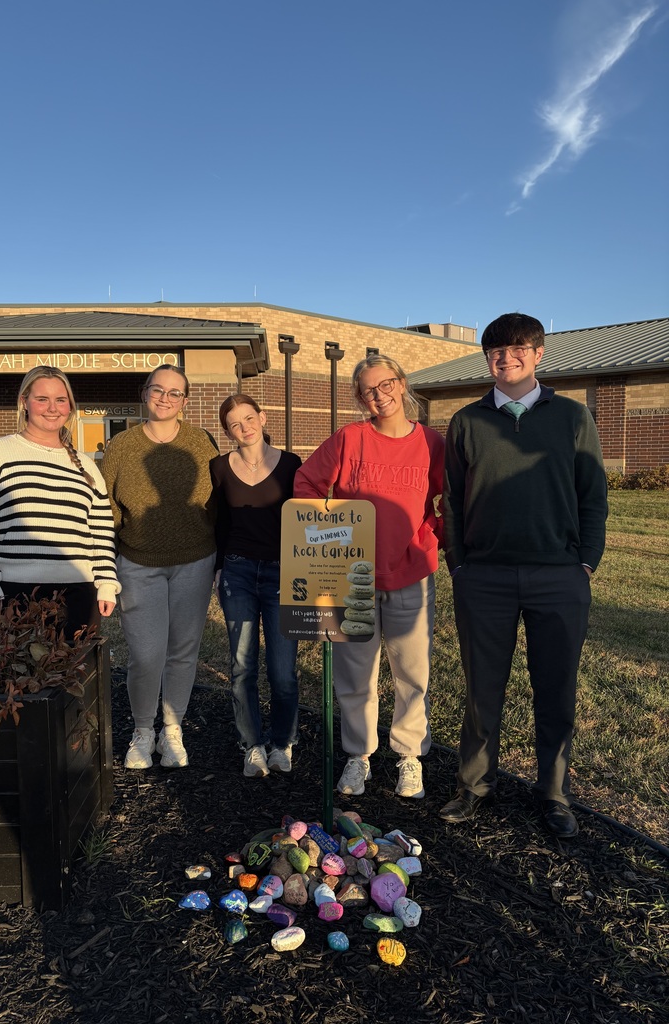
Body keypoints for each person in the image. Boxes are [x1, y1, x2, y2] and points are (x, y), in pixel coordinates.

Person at [439, 312, 608, 838]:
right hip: (483, 577)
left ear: (537, 354)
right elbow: (452, 504)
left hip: (559, 575)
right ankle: (475, 786)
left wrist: (585, 563)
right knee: (481, 689)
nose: (505, 358)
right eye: (495, 351)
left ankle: (553, 794)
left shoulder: (573, 418)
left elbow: (593, 496)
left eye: (517, 349)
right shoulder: (466, 422)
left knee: (555, 689)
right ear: (486, 358)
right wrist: (460, 564)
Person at [293, 353, 444, 798]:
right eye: (368, 391)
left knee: (413, 672)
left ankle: (409, 756)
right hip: (351, 575)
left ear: (402, 383)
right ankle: (358, 756)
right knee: (355, 674)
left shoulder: (432, 443)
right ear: (360, 398)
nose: (379, 396)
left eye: (386, 385)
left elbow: (448, 500)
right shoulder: (349, 439)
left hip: (412, 574)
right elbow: (306, 486)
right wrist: (332, 535)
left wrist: (430, 536)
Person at [102, 365, 218, 771]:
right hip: (138, 562)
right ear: (145, 393)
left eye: (175, 392)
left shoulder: (202, 442)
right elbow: (108, 508)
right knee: (146, 655)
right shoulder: (122, 445)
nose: (165, 398)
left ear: (185, 400)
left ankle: (172, 728)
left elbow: (216, 498)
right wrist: (107, 564)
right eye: (158, 389)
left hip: (195, 560)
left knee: (183, 652)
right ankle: (142, 729)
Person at [0, 365, 119, 639]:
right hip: (12, 594)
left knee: (73, 679)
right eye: (42, 399)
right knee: (16, 680)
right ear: (24, 402)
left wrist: (106, 582)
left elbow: (100, 531)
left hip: (78, 595)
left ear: (70, 406)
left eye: (60, 399)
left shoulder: (86, 466)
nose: (52, 408)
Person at [210, 394, 302, 778]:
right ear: (227, 430)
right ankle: (251, 744)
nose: (245, 427)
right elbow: (218, 522)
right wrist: (218, 569)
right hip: (238, 572)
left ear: (262, 418)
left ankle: (282, 743)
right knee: (242, 665)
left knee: (283, 670)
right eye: (235, 423)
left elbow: (305, 519)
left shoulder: (291, 464)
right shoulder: (218, 467)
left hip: (284, 572)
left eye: (249, 418)